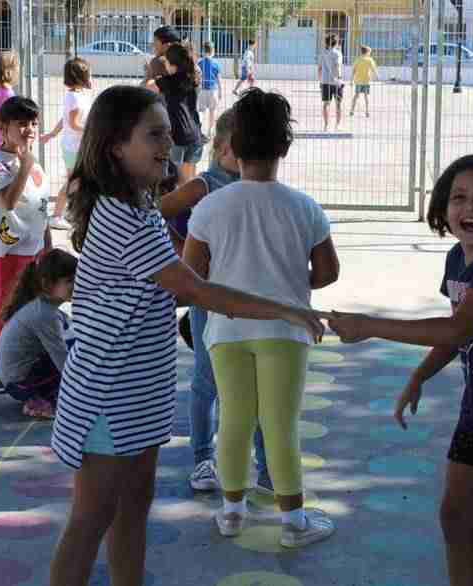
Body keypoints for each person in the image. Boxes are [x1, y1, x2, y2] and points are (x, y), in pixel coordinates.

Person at [47, 84, 324, 586]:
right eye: (153, 135)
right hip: (107, 396)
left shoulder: (139, 210)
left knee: (133, 511)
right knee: (90, 521)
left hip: (139, 395)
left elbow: (171, 290)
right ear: (115, 146)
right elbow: (199, 291)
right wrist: (287, 308)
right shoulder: (122, 217)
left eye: (168, 134)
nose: (166, 145)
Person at [327, 154, 473, 586]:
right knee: (455, 521)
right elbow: (459, 334)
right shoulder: (459, 258)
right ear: (442, 205)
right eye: (459, 198)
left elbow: (460, 326)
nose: (470, 210)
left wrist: (369, 325)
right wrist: (421, 374)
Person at [184, 88, 340, 548]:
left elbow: (194, 274)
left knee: (232, 417)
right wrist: (287, 286)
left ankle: (231, 513)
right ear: (285, 147)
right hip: (285, 333)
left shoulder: (210, 206)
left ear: (231, 146)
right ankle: (294, 522)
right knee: (280, 424)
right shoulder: (304, 207)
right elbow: (328, 271)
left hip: (226, 332)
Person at [159, 109, 271, 493]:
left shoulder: (260, 182)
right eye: (243, 146)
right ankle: (203, 458)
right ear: (223, 147)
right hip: (209, 298)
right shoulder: (205, 185)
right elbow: (155, 216)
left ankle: (264, 464)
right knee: (208, 379)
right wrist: (185, 255)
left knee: (255, 382)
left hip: (249, 297)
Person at [0, 96, 52, 395]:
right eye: (21, 124)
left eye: (33, 123)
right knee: (4, 308)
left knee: (28, 308)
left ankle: (19, 363)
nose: (29, 129)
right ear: (3, 128)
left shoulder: (30, 162)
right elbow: (7, 202)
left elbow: (41, 208)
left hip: (33, 247)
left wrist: (47, 244)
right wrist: (25, 166)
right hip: (8, 249)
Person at [0, 249, 77, 419]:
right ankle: (40, 401)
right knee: (75, 359)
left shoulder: (45, 306)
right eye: (70, 280)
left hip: (15, 379)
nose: (77, 285)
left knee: (75, 346)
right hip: (19, 383)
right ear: (48, 284)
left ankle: (42, 398)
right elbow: (62, 359)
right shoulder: (44, 314)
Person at [41, 57, 93, 230]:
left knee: (78, 181)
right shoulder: (76, 99)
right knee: (73, 181)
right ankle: (56, 215)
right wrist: (91, 130)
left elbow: (64, 120)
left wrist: (51, 134)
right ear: (81, 77)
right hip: (74, 148)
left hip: (73, 146)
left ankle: (70, 212)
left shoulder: (74, 95)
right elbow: (73, 123)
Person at [151, 43, 204, 187]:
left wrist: (153, 72)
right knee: (189, 182)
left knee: (175, 184)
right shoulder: (193, 78)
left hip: (177, 136)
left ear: (170, 63)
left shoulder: (167, 81)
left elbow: (147, 88)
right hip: (195, 135)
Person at [318, 34, 344, 131]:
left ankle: (326, 125)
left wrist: (320, 80)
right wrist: (339, 77)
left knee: (326, 104)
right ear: (336, 43)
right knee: (338, 104)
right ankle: (338, 125)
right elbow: (338, 67)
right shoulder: (338, 53)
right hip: (336, 82)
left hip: (325, 81)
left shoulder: (322, 53)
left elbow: (319, 68)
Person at [197, 42, 223, 137]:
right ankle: (210, 131)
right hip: (213, 90)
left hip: (202, 89)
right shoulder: (216, 64)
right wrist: (221, 91)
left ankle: (199, 129)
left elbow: (197, 77)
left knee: (201, 111)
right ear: (213, 50)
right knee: (213, 110)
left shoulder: (199, 63)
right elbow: (219, 79)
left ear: (204, 50)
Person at [350, 45, 378, 118]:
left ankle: (352, 110)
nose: (370, 53)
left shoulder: (357, 59)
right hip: (366, 81)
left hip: (358, 81)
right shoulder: (370, 60)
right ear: (367, 52)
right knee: (366, 97)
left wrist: (351, 80)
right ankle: (367, 111)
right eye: (370, 52)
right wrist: (376, 76)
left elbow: (353, 70)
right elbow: (373, 69)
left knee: (356, 96)